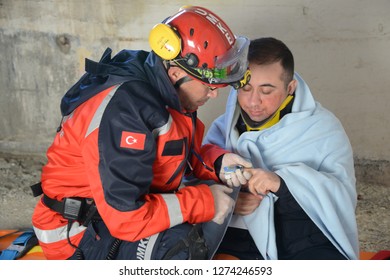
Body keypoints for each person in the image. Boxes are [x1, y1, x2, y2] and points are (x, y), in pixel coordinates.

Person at [31, 6, 253, 260]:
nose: (214, 94)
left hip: (108, 215)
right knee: (182, 246)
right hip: (75, 233)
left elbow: (175, 153)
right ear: (177, 72)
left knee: (212, 196)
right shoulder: (126, 111)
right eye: (209, 87)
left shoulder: (166, 90)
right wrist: (205, 202)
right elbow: (125, 217)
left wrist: (218, 162)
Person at [203, 37, 360, 260]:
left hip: (304, 232)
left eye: (266, 91)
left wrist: (282, 183)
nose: (253, 102)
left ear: (290, 87)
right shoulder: (222, 128)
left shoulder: (322, 128)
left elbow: (340, 197)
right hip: (240, 233)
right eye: (245, 88)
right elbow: (198, 181)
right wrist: (228, 202)